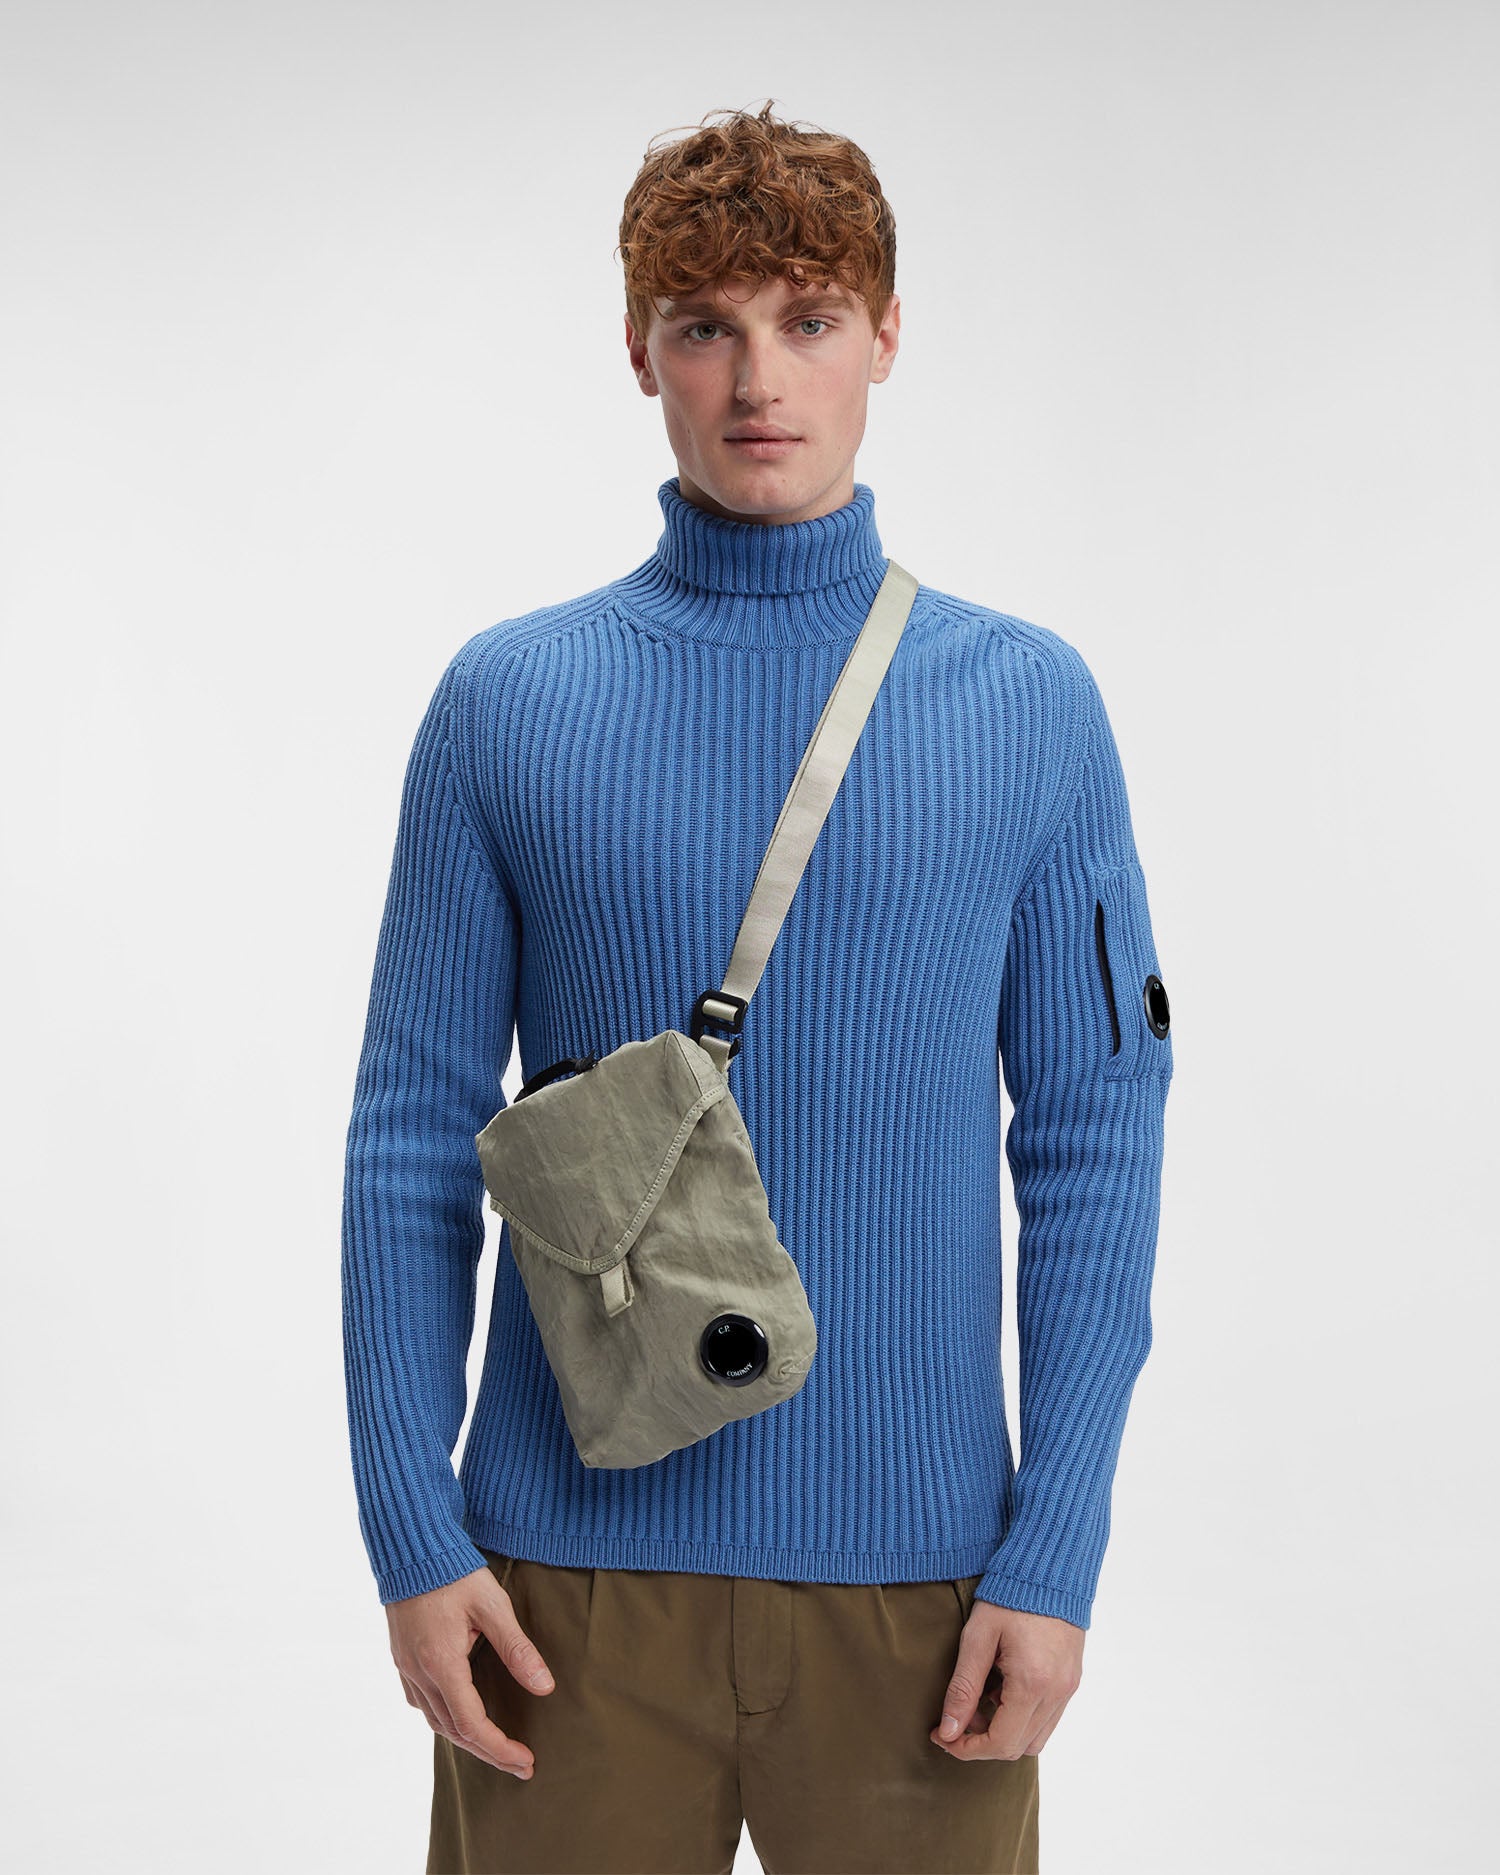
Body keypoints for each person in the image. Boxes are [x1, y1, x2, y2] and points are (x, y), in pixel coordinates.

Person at [341, 99, 1175, 1875]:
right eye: (706, 325)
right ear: (637, 348)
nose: (758, 379)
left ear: (888, 335)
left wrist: (1057, 1552)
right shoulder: (507, 702)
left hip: (924, 1594)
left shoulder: (1027, 705)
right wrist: (413, 1531)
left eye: (808, 318)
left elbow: (1095, 1141)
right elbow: (410, 1143)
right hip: (558, 1586)